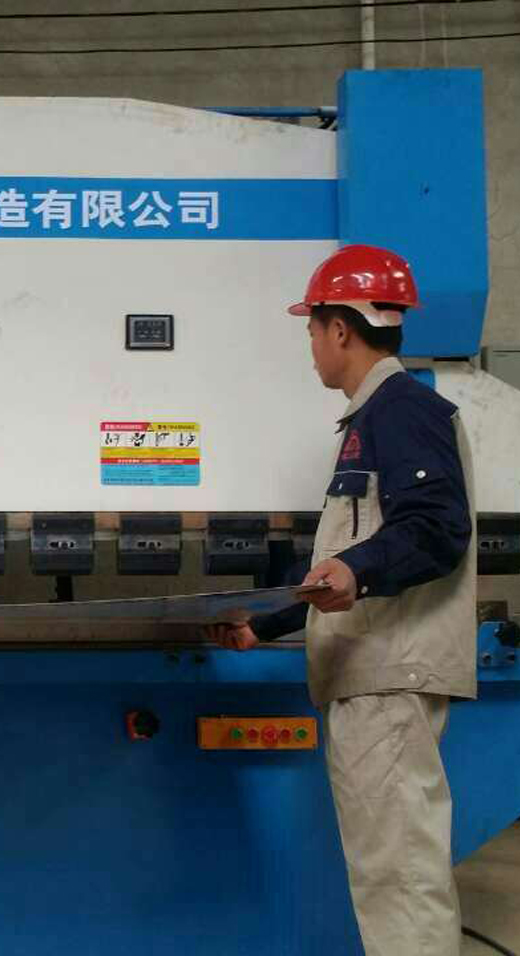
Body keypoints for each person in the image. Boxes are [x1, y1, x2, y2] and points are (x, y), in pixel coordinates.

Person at [208, 244, 476, 955]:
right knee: (387, 872)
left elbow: (437, 528)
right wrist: (267, 626)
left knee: (399, 876)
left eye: (311, 330)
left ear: (340, 329)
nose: (311, 347)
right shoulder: (373, 419)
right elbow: (349, 561)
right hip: (372, 677)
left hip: (389, 679)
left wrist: (356, 570)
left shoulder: (403, 411)